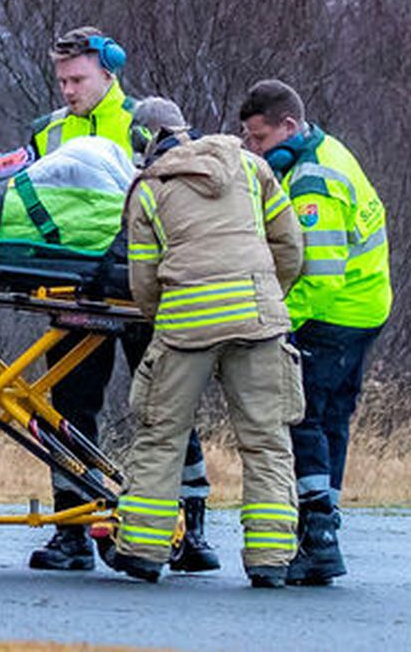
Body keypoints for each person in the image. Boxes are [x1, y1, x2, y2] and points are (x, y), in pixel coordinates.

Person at [26, 28, 218, 574]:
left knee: (166, 406)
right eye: (61, 79)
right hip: (72, 287)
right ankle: (72, 530)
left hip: (143, 290)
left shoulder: (148, 124)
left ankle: (190, 529)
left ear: (109, 73)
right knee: (70, 410)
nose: (68, 89)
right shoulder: (47, 133)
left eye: (78, 79)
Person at [103, 98, 304, 587]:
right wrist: (262, 296)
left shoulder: (148, 191)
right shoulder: (250, 165)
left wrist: (165, 318)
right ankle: (271, 561)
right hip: (258, 322)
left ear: (143, 143)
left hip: (186, 327)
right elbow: (290, 246)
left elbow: (144, 280)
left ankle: (145, 552)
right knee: (267, 441)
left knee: (161, 435)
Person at [240, 79, 390, 586]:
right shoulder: (327, 150)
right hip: (366, 304)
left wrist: (274, 319)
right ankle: (326, 521)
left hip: (336, 313)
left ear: (288, 126)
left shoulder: (311, 183)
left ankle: (319, 534)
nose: (254, 150)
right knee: (332, 419)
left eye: (259, 139)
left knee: (302, 415)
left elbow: (322, 279)